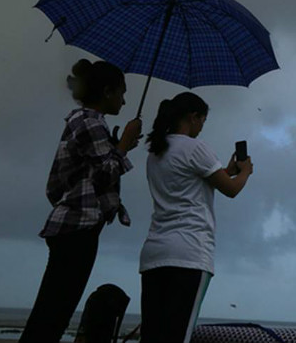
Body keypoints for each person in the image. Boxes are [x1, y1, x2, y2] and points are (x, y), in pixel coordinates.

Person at [21, 59, 142, 343]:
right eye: (122, 93)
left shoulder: (85, 122)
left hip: (75, 228)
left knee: (53, 311)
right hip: (77, 230)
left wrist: (118, 147)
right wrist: (123, 145)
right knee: (53, 314)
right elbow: (104, 174)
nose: (125, 101)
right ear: (108, 91)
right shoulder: (88, 122)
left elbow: (62, 182)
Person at [139, 92, 252, 343]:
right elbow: (231, 189)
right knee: (177, 336)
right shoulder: (196, 148)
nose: (201, 128)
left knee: (153, 336)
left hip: (154, 254)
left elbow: (189, 182)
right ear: (193, 117)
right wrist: (244, 173)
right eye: (202, 121)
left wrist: (227, 171)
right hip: (189, 253)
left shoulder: (156, 152)